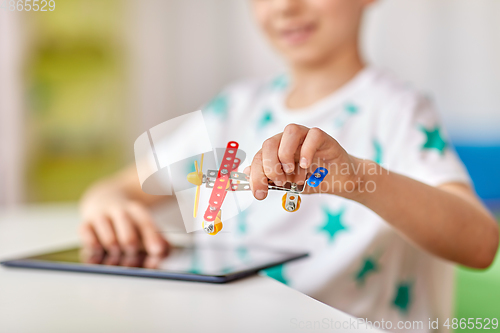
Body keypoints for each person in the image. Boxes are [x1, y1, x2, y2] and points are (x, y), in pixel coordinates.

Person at [79, 0, 498, 329]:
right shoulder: (232, 109)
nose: (284, 6)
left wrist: (358, 178)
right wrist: (105, 203)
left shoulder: (397, 112)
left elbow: (479, 243)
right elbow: (125, 187)